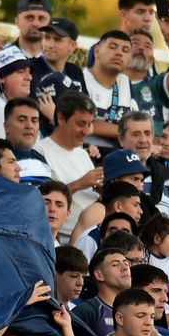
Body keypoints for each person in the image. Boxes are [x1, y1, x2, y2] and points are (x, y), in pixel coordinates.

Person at [39, 94, 104, 240]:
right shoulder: (41, 150)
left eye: (89, 124)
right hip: (63, 239)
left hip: (94, 236)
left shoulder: (82, 154)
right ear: (61, 119)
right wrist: (79, 184)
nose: (87, 131)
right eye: (81, 124)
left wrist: (101, 192)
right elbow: (40, 200)